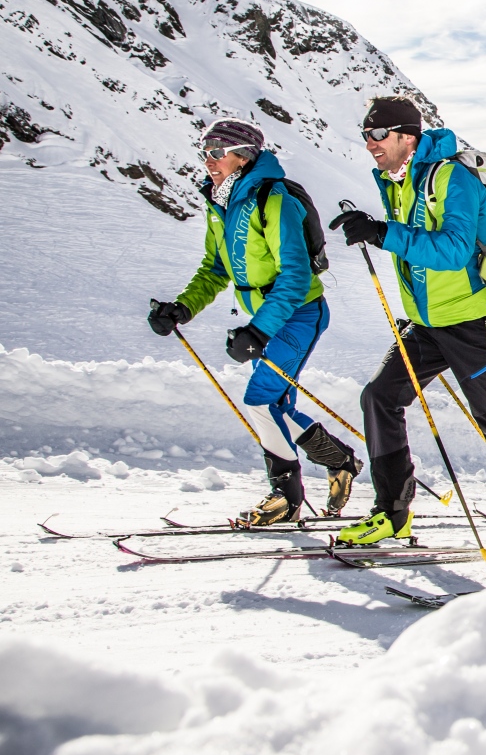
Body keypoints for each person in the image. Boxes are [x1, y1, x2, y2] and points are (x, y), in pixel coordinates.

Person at [328, 96, 486, 550]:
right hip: (426, 326)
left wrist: (382, 233)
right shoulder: (396, 180)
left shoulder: (451, 177)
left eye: (379, 135)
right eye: (366, 135)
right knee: (379, 398)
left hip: (475, 324)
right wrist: (381, 232)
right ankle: (392, 513)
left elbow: (454, 251)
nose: (370, 144)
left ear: (407, 137)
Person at [148, 118, 360, 525]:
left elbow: (295, 277)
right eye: (204, 153)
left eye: (216, 153)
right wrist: (182, 309)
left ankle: (286, 496)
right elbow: (214, 269)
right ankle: (341, 462)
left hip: (298, 314)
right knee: (276, 405)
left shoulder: (273, 199)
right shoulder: (222, 203)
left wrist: (258, 330)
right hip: (267, 318)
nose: (208, 161)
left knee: (261, 399)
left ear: (243, 157)